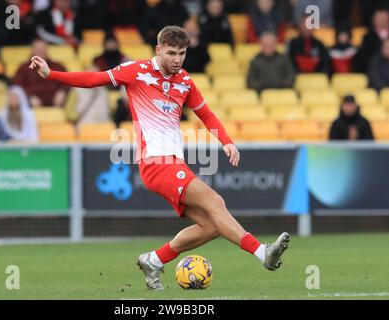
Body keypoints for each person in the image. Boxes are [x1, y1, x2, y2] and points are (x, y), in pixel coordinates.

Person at [29, 25, 290, 290]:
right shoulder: (137, 71)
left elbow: (207, 114)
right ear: (158, 50)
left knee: (212, 225)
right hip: (156, 163)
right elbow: (93, 79)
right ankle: (262, 253)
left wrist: (227, 142)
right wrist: (51, 74)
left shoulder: (185, 81)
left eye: (182, 53)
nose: (177, 59)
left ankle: (154, 259)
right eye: (172, 53)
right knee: (215, 200)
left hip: (175, 162)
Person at [13, 38, 69, 107]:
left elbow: (67, 82)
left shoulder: (58, 66)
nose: (40, 52)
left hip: (57, 104)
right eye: (38, 50)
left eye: (43, 49)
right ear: (32, 50)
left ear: (47, 50)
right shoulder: (23, 68)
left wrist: (62, 92)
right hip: (31, 104)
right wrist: (29, 96)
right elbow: (18, 86)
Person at [353, 8, 389, 73]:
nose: (382, 21)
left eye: (385, 19)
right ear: (373, 21)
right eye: (379, 19)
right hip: (375, 71)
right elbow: (364, 59)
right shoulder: (368, 38)